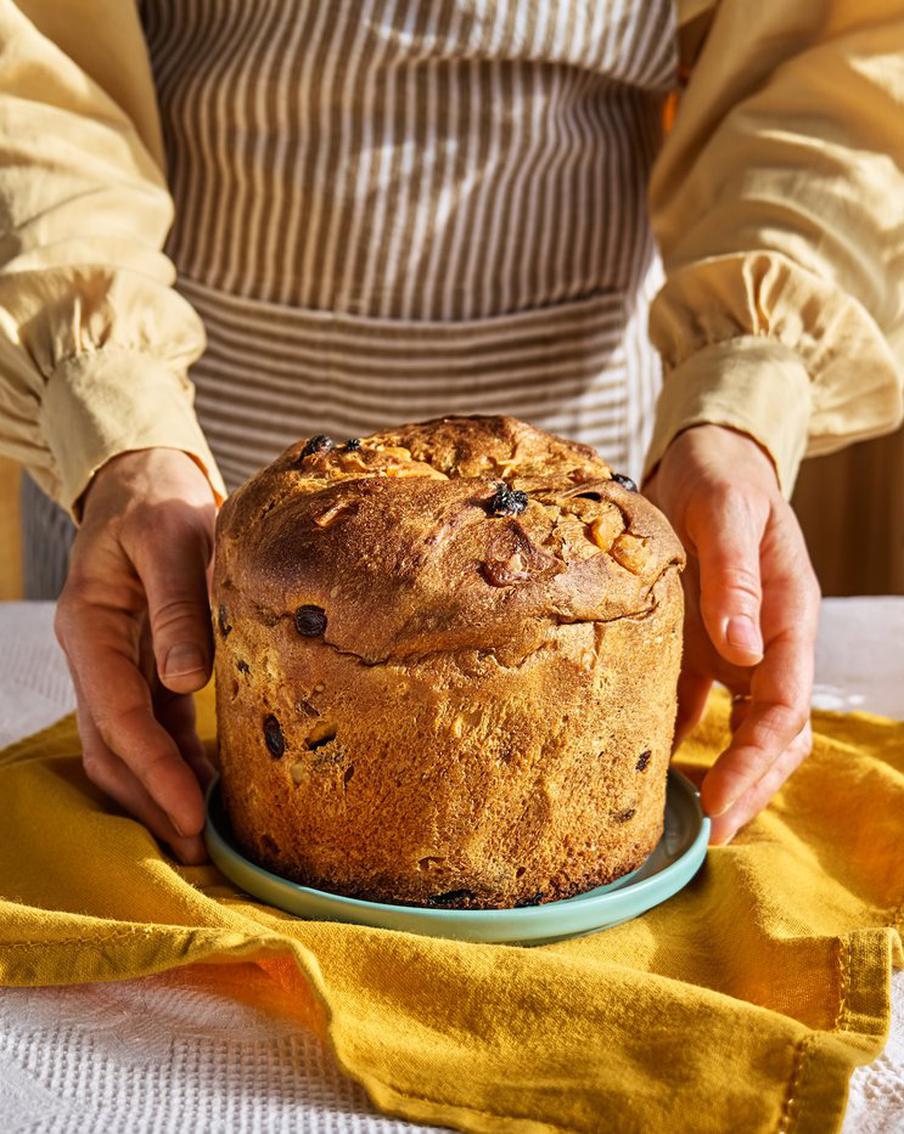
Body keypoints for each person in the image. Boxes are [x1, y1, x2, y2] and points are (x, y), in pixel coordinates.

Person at [0, 1, 901, 866]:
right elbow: (35, 59)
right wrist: (112, 415)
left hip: (595, 505)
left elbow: (824, 57)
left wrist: (741, 405)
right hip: (169, 496)